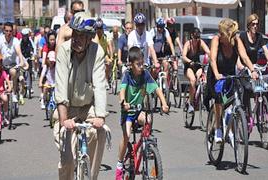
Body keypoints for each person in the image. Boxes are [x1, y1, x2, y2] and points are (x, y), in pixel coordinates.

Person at [53, 12, 107, 180]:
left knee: (100, 132)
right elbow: (60, 86)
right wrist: (64, 120)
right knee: (68, 160)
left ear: (90, 38)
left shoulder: (97, 52)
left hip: (87, 106)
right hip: (67, 109)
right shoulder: (63, 50)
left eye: (81, 35)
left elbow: (99, 85)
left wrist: (100, 116)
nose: (76, 38)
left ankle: (91, 176)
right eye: (74, 33)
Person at [115, 46, 169, 179]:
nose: (141, 66)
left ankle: (147, 146)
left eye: (142, 63)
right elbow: (121, 91)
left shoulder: (145, 74)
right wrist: (123, 102)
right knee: (127, 134)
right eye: (138, 64)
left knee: (148, 120)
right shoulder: (127, 75)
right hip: (127, 113)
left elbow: (156, 89)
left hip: (138, 111)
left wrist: (164, 103)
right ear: (131, 64)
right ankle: (120, 164)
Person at [207, 18, 257, 143]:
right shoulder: (216, 40)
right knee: (219, 98)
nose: (219, 34)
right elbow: (212, 59)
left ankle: (231, 126)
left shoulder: (236, 40)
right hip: (216, 74)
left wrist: (252, 70)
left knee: (234, 97)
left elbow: (244, 57)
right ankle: (218, 128)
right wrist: (217, 73)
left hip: (229, 74)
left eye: (221, 32)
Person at [239, 14, 268, 117]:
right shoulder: (243, 36)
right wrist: (239, 64)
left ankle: (260, 109)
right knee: (246, 89)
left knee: (262, 87)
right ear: (249, 25)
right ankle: (245, 111)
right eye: (253, 24)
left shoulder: (259, 37)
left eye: (257, 24)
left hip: (254, 66)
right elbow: (239, 53)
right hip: (244, 66)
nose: (255, 26)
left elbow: (265, 49)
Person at [0, 22, 25, 103]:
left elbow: (19, 52)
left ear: (12, 31)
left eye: (10, 31)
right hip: (1, 66)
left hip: (12, 65)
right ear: (3, 31)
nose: (8, 33)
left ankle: (14, 92)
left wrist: (21, 61)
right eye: (6, 31)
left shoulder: (15, 40)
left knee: (13, 72)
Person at [182, 27, 210, 112]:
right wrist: (190, 61)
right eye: (195, 38)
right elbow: (183, 56)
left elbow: (208, 51)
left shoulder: (200, 42)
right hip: (189, 66)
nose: (197, 40)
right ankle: (190, 103)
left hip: (198, 66)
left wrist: (212, 57)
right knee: (193, 80)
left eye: (198, 38)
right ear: (191, 36)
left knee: (203, 79)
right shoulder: (188, 43)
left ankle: (200, 99)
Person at [93, 18, 113, 88]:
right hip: (95, 55)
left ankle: (106, 80)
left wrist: (111, 57)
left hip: (104, 55)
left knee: (108, 63)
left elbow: (110, 46)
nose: (99, 30)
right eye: (97, 28)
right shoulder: (93, 36)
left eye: (100, 28)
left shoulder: (106, 36)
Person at [39, 31, 57, 109]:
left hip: (56, 64)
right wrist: (44, 64)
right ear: (48, 40)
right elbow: (44, 57)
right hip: (46, 62)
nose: (52, 41)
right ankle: (43, 98)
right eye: (51, 40)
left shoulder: (57, 46)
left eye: (54, 39)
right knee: (45, 86)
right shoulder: (46, 46)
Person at [0, 53, 12, 125]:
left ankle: (5, 115)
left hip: (1, 91)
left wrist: (9, 88)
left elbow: (8, 81)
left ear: (1, 65)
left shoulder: (3, 73)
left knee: (5, 99)